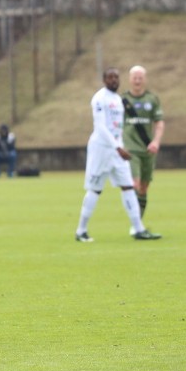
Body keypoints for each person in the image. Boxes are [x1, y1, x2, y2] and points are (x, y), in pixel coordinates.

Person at [74, 68, 162, 242]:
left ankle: (138, 229)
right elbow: (100, 127)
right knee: (95, 189)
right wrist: (117, 147)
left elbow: (117, 127)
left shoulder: (117, 99)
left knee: (128, 186)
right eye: (110, 77)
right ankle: (81, 230)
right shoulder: (100, 98)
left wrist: (120, 147)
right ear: (104, 79)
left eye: (116, 77)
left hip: (117, 150)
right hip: (101, 149)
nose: (113, 80)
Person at [122, 65, 165, 233]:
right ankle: (136, 226)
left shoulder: (152, 99)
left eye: (140, 77)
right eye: (135, 77)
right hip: (130, 149)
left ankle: (137, 223)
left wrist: (156, 141)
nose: (137, 80)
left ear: (145, 80)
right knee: (135, 183)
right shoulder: (122, 100)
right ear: (130, 79)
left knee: (144, 187)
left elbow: (159, 122)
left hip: (147, 149)